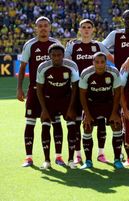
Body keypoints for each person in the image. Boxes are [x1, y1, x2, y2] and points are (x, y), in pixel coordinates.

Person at [65, 19, 113, 164]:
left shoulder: (98, 45)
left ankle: (101, 153)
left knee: (100, 122)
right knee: (78, 122)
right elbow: (66, 63)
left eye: (89, 27)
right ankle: (78, 154)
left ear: (93, 30)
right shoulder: (72, 46)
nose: (86, 30)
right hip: (78, 90)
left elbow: (112, 59)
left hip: (96, 91)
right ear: (79, 29)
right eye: (83, 27)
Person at [17, 16, 63, 167]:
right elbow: (23, 67)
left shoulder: (56, 44)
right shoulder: (30, 44)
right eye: (40, 26)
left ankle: (58, 156)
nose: (43, 28)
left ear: (50, 27)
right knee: (30, 123)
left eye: (45, 25)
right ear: (35, 28)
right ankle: (28, 157)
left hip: (53, 92)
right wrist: (19, 88)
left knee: (55, 123)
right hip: (34, 90)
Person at [36, 44, 79, 169]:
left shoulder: (71, 66)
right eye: (53, 55)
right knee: (45, 127)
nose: (56, 58)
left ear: (63, 55)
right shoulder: (43, 67)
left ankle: (71, 160)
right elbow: (39, 89)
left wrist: (71, 108)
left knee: (72, 127)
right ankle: (47, 160)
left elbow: (75, 87)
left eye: (59, 55)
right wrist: (43, 110)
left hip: (66, 100)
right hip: (49, 101)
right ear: (49, 56)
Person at [78, 52, 123, 169]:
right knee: (87, 127)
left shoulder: (113, 72)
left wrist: (114, 113)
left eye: (102, 62)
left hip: (109, 103)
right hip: (91, 104)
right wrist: (87, 115)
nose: (100, 65)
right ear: (93, 63)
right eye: (97, 62)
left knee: (117, 125)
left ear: (106, 62)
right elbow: (82, 95)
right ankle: (88, 161)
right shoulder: (86, 73)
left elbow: (118, 93)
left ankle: (117, 159)